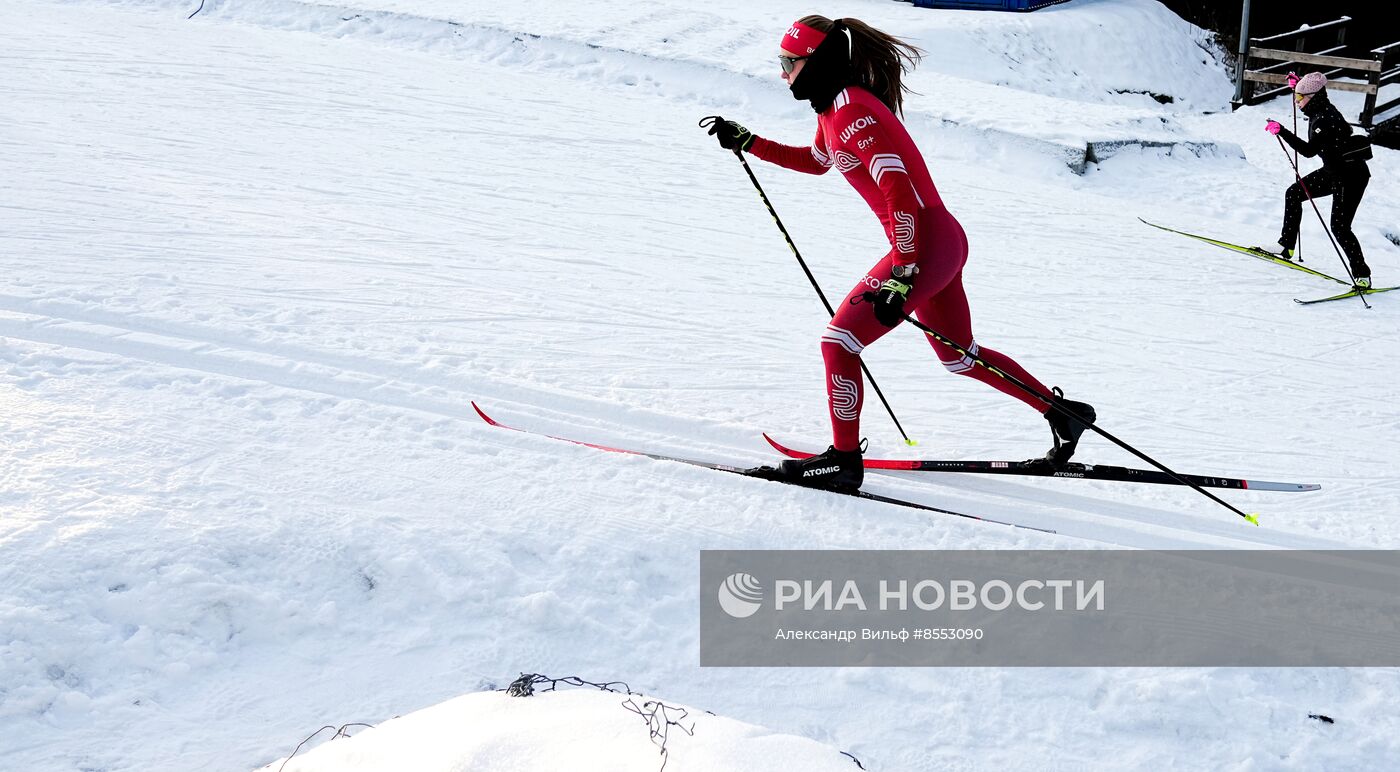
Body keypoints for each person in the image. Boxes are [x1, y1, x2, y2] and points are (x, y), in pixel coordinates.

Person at [707, 15, 1094, 492]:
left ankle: (843, 462)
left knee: (838, 343)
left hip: (925, 243)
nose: (783, 73)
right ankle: (1062, 413)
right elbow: (816, 162)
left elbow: (900, 193)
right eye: (781, 63)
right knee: (960, 358)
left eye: (790, 63)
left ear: (817, 62)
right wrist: (750, 142)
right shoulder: (833, 110)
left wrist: (904, 272)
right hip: (939, 241)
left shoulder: (853, 113)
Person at [1266, 71, 1374, 287]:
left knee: (1340, 227)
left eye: (1299, 98)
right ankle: (1286, 247)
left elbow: (1308, 151)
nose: (1297, 102)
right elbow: (1308, 94)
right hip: (1333, 171)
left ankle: (1363, 275)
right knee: (1294, 193)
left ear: (1313, 96)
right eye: (1296, 97)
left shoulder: (1324, 119)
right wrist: (1298, 87)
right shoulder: (1319, 108)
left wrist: (1283, 132)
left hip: (1350, 177)